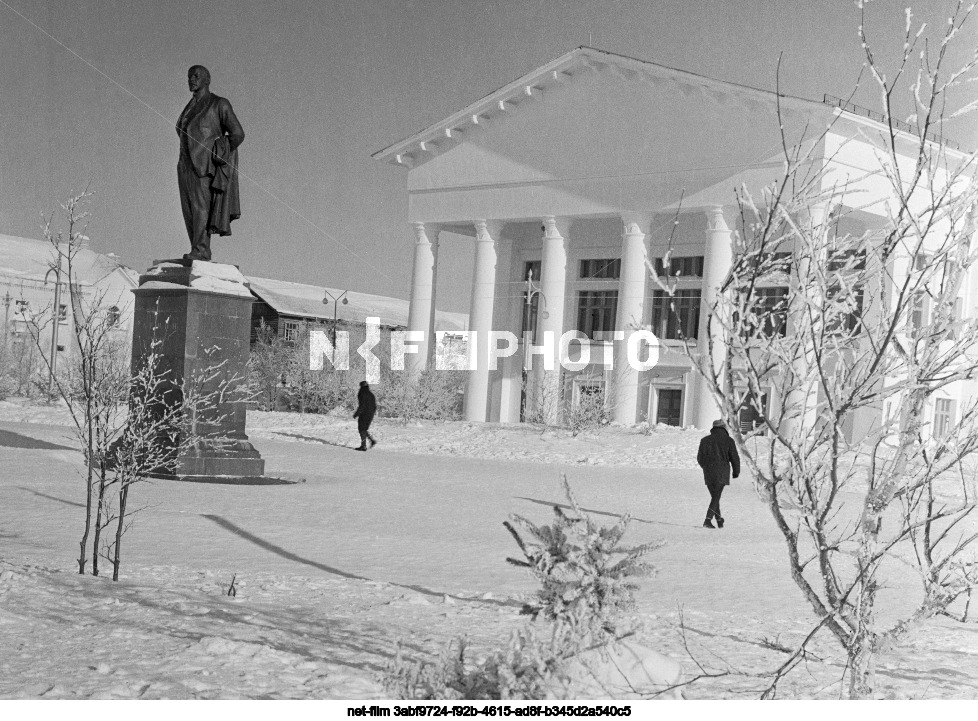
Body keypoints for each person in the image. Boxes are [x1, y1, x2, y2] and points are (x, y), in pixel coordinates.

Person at [176, 65, 245, 262]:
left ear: (207, 80)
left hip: (204, 166)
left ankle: (201, 250)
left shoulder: (219, 104)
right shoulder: (189, 106)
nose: (191, 79)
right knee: (189, 211)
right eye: (189, 76)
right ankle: (196, 248)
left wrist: (217, 152)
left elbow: (238, 134)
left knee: (200, 209)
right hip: (185, 165)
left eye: (196, 76)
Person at [696, 419, 740, 528]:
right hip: (722, 471)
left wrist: (705, 467)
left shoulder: (705, 440)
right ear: (724, 428)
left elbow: (700, 458)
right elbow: (734, 457)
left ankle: (719, 519)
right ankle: (707, 520)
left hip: (708, 472)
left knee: (715, 496)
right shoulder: (728, 440)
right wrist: (736, 471)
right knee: (716, 496)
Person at [353, 381, 377, 451]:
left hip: (364, 414)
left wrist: (357, 413)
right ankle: (371, 441)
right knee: (364, 429)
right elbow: (375, 406)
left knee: (361, 429)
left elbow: (362, 405)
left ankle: (363, 446)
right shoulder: (371, 394)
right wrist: (372, 413)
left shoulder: (362, 393)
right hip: (370, 414)